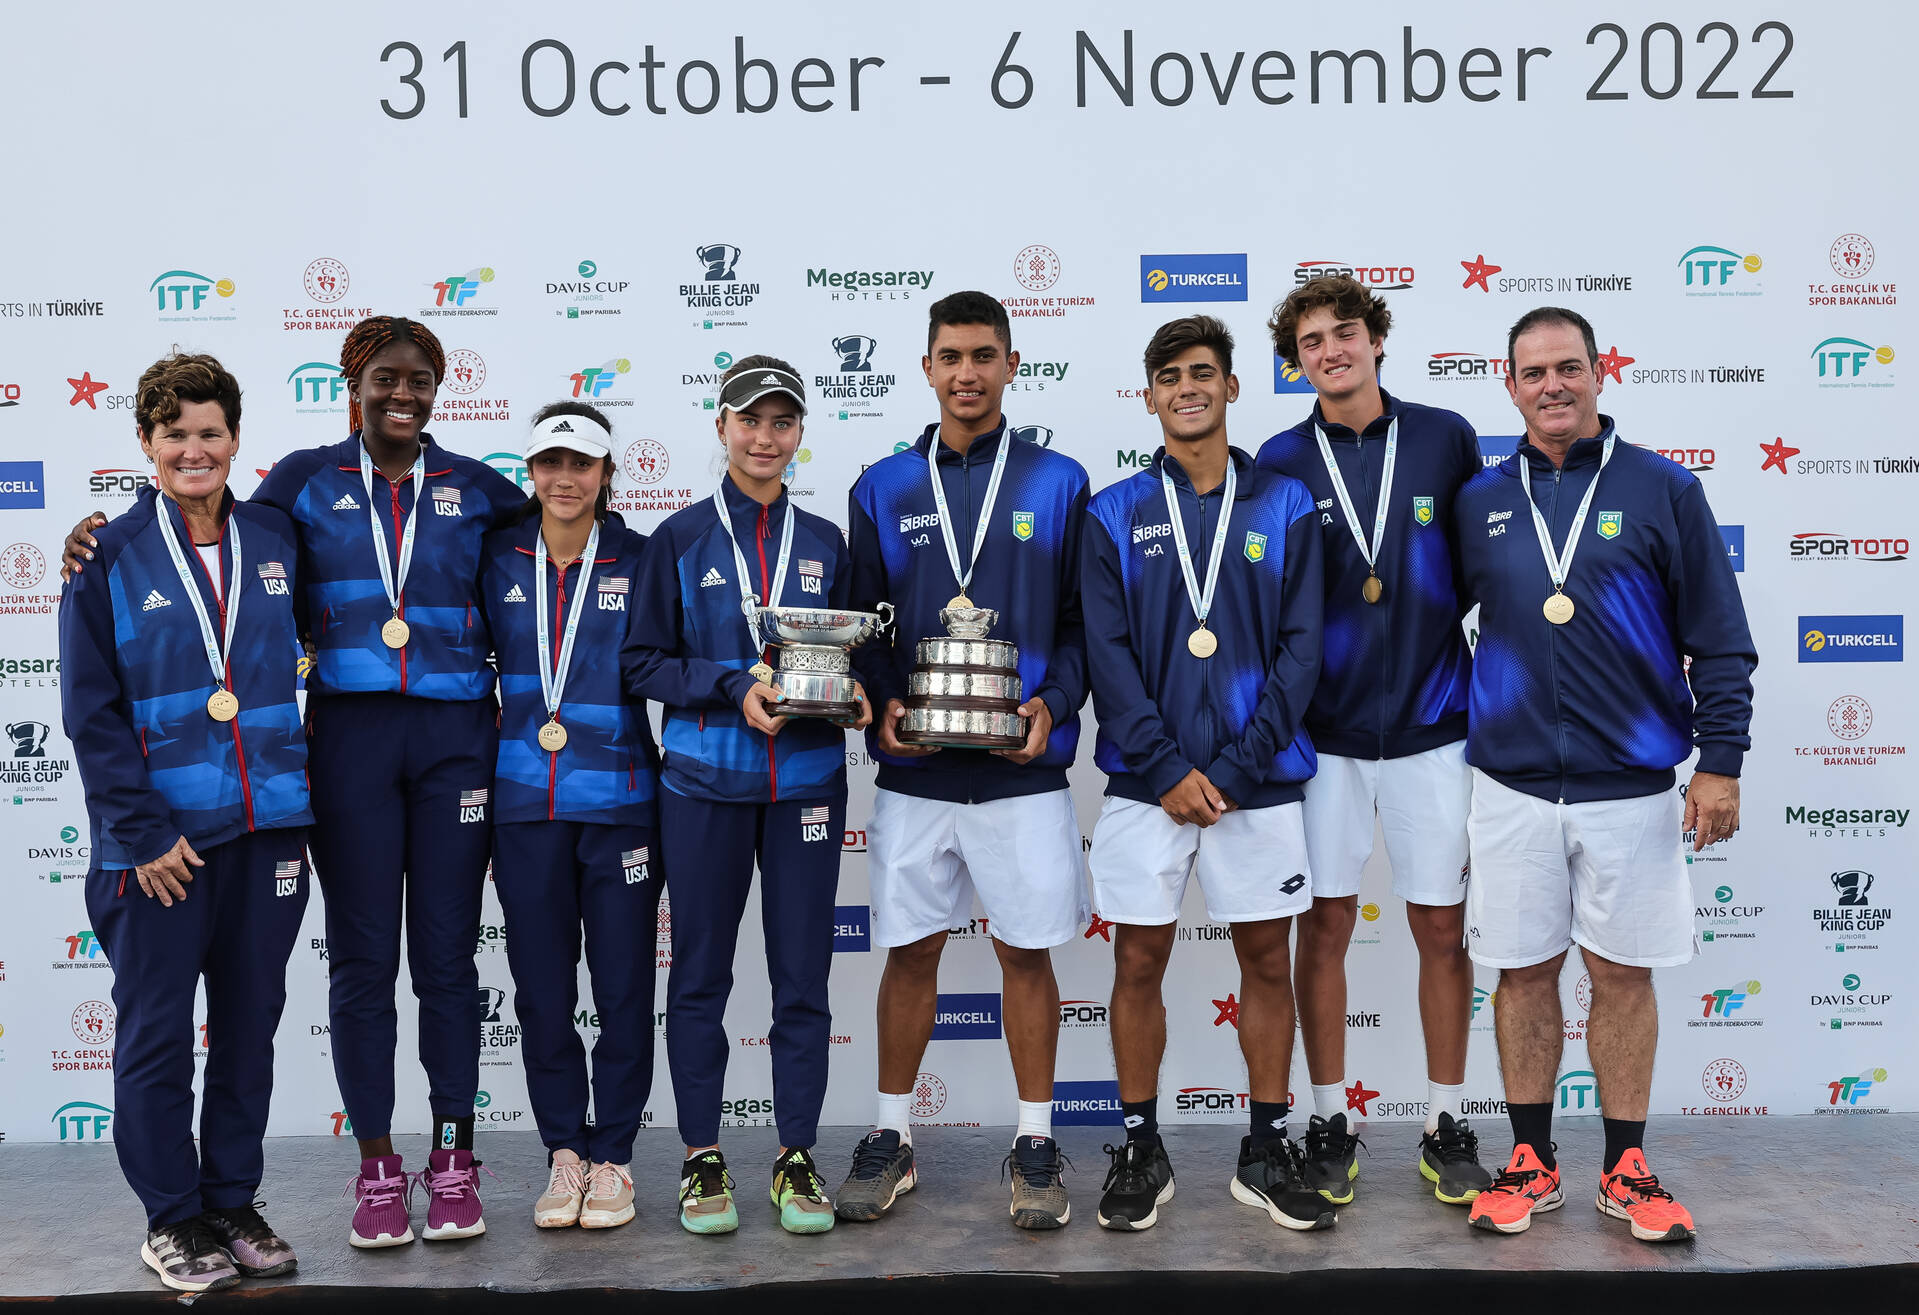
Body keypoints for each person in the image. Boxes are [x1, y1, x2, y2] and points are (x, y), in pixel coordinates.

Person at [66, 315, 527, 1246]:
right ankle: (372, 1168)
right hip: (345, 744)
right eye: (385, 376)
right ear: (353, 385)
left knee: (443, 958)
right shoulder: (296, 489)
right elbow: (179, 565)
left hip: (439, 749)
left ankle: (450, 1156)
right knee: (359, 960)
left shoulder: (475, 488)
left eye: (419, 378)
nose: (402, 393)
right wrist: (91, 534)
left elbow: (567, 531)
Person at [1453, 307, 1754, 1242]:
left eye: (1568, 367)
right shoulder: (1478, 498)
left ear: (1597, 373)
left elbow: (1720, 638)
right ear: (1508, 385)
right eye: (1533, 371)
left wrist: (1720, 762)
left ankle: (1625, 1166)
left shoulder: (1663, 488)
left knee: (1621, 975)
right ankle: (1530, 1160)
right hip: (1510, 783)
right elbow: (1424, 627)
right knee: (1521, 973)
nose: (1552, 385)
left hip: (1629, 783)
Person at [835, 291, 1091, 1231]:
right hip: (917, 773)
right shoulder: (882, 486)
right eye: (951, 356)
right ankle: (892, 1135)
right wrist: (883, 704)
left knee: (1026, 953)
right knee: (910, 952)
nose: (967, 373)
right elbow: (863, 624)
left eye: (984, 355)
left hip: (1021, 769)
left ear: (1012, 365)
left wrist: (1054, 702)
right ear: (926, 368)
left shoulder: (1059, 480)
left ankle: (1034, 1141)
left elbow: (1081, 622)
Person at [59, 353, 312, 1292]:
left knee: (248, 1030)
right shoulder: (108, 554)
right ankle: (171, 1217)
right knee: (159, 1037)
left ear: (235, 438)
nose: (193, 450)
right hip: (159, 848)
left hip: (267, 829)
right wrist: (142, 831)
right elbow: (89, 712)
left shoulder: (278, 537)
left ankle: (231, 1201)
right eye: (175, 435)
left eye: (210, 432)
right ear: (146, 442)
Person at [1082, 316, 1327, 1232]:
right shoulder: (1111, 509)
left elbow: (1302, 650)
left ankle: (1264, 1147)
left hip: (1255, 783)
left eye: (1201, 372)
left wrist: (1229, 767)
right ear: (1148, 394)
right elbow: (1106, 654)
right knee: (1136, 958)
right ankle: (1140, 1145)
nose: (1185, 387)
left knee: (1266, 960)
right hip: (1144, 784)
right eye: (1168, 375)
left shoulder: (1287, 503)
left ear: (1230, 386)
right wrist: (1164, 767)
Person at [1256, 275, 1492, 1207]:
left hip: (1435, 726)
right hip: (1324, 738)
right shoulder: (1280, 458)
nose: (1330, 350)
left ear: (1377, 338)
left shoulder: (1444, 436)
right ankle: (1328, 1118)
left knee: (1440, 925)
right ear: (1296, 361)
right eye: (1311, 341)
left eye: (1344, 332)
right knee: (1323, 927)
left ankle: (1444, 1119)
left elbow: (1480, 568)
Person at [626, 356, 869, 1236]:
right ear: (721, 425)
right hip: (702, 785)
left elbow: (854, 652)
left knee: (802, 978)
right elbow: (641, 662)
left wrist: (858, 691)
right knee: (699, 975)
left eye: (781, 422)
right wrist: (731, 686)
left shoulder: (826, 541)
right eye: (750, 420)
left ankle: (794, 1153)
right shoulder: (678, 538)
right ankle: (701, 1155)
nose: (765, 438)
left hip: (805, 783)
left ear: (799, 431)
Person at [478, 403, 661, 1230]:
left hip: (621, 804)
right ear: (530, 471)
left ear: (605, 473)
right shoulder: (493, 555)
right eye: (550, 462)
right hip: (524, 804)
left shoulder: (644, 558)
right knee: (543, 994)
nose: (564, 477)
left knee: (623, 988)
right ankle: (564, 1152)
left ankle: (613, 1156)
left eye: (580, 463)